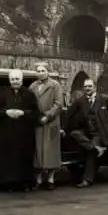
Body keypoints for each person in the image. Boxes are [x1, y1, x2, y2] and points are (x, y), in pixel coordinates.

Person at [64, 78, 108, 188]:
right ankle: (96, 148)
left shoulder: (104, 99)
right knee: (74, 133)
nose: (87, 89)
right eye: (85, 87)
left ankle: (87, 180)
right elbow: (69, 114)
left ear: (95, 87)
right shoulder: (80, 101)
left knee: (90, 153)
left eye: (89, 86)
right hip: (86, 131)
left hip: (99, 133)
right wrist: (64, 128)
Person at [0, 69, 41, 192]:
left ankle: (25, 183)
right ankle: (10, 183)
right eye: (13, 79)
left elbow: (36, 113)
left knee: (25, 158)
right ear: (10, 81)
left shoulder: (29, 94)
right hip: (8, 132)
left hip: (24, 132)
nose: (15, 82)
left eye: (17, 79)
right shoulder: (4, 94)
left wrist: (23, 113)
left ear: (21, 80)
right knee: (9, 158)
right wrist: (6, 112)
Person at [29, 62, 63, 190]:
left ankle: (50, 178)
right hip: (38, 122)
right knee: (38, 150)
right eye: (38, 71)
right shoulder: (33, 86)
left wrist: (48, 116)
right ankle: (38, 179)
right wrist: (36, 117)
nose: (40, 73)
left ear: (47, 72)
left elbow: (58, 104)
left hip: (52, 122)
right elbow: (30, 103)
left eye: (43, 70)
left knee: (51, 150)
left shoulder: (55, 85)